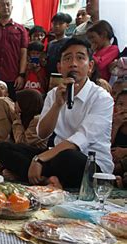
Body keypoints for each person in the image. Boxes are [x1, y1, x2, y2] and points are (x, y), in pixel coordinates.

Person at [21, 38, 113, 189]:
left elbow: (80, 140)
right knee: (6, 149)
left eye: (80, 58)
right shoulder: (53, 94)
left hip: (90, 163)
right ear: (59, 67)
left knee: (67, 157)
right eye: (68, 58)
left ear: (90, 66)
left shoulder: (102, 98)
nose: (73, 64)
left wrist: (40, 159)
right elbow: (42, 133)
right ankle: (49, 180)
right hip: (55, 156)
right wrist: (57, 105)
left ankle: (48, 178)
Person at [110, 89, 127, 185]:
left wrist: (124, 151)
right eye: (120, 104)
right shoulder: (110, 123)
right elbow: (104, 145)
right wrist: (116, 126)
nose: (124, 108)